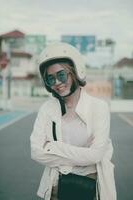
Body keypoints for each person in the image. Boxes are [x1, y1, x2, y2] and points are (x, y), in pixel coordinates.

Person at [30, 42, 117, 200]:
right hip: (55, 188)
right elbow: (36, 152)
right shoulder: (47, 109)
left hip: (89, 189)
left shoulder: (99, 108)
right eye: (50, 79)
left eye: (61, 75)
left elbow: (96, 155)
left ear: (75, 71)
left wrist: (54, 147)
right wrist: (83, 157)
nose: (57, 82)